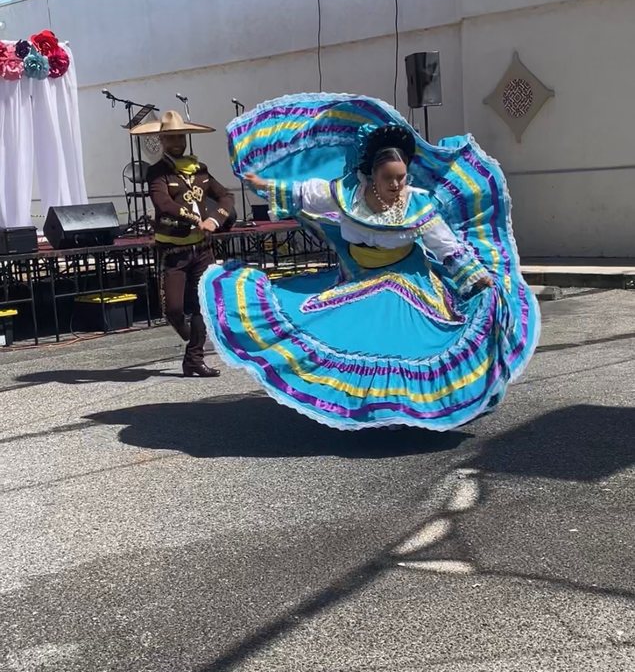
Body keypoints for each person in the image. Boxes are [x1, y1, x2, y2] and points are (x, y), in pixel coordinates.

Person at [198, 93, 540, 428]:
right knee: (349, 327)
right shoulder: (345, 195)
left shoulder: (418, 205)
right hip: (359, 277)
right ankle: (376, 408)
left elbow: (447, 247)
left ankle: (408, 407)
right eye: (389, 178)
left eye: (402, 177)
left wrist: (476, 278)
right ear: (372, 176)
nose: (396, 184)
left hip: (410, 278)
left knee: (399, 317)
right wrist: (264, 184)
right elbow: (303, 192)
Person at [142, 110, 236, 377]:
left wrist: (214, 221)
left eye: (180, 136)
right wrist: (194, 218)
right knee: (172, 309)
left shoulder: (201, 170)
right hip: (173, 250)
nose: (177, 142)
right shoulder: (157, 172)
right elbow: (163, 203)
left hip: (202, 249)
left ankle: (194, 358)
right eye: (171, 137)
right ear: (161, 140)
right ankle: (185, 333)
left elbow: (226, 196)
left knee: (200, 305)